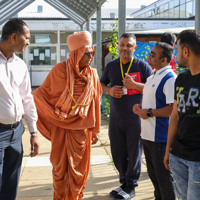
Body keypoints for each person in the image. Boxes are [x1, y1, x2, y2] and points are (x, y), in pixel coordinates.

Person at [32, 31, 102, 200]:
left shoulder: (92, 74)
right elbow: (39, 95)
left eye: (92, 53)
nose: (90, 57)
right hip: (60, 130)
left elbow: (96, 102)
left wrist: (95, 129)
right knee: (60, 170)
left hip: (82, 133)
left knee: (79, 173)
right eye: (87, 53)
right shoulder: (59, 71)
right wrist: (54, 114)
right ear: (76, 53)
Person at [100, 33, 152, 200]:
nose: (124, 48)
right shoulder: (111, 66)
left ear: (134, 48)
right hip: (116, 117)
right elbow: (101, 84)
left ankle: (131, 186)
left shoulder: (143, 66)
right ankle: (124, 183)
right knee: (117, 152)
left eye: (128, 45)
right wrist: (109, 90)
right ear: (118, 46)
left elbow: (153, 88)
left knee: (134, 152)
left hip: (135, 118)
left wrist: (135, 85)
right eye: (122, 44)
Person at [0, 19, 39, 200]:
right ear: (14, 37)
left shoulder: (20, 65)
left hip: (16, 132)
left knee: (11, 181)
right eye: (27, 38)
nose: (29, 42)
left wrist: (33, 132)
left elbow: (27, 99)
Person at [133, 42, 176, 200]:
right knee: (154, 178)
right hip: (147, 136)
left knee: (164, 180)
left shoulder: (170, 78)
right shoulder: (152, 76)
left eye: (153, 54)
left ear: (164, 60)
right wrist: (140, 107)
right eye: (150, 53)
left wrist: (149, 112)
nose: (149, 56)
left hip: (161, 139)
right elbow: (151, 103)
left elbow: (173, 109)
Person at [164, 29, 200, 200]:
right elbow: (175, 116)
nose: (175, 55)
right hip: (178, 156)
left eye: (177, 50)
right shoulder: (181, 79)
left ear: (186, 51)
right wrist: (167, 151)